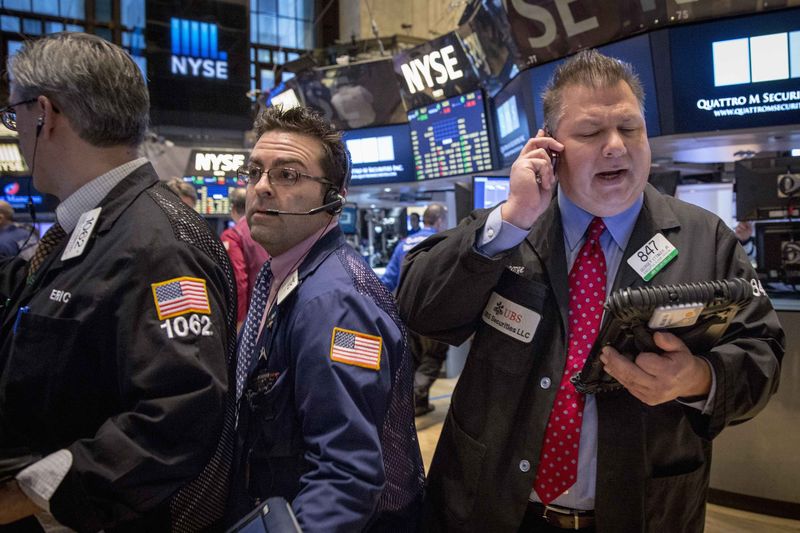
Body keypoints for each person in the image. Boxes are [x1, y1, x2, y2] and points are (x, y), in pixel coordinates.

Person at [396, 49, 783, 532]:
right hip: (494, 507)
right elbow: (418, 309)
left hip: (641, 512)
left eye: (630, 128)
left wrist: (699, 377)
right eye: (590, 132)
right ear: (548, 148)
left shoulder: (707, 240)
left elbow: (762, 355)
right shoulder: (511, 228)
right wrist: (511, 219)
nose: (616, 146)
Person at [0, 33, 237, 532]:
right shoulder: (86, 228)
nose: (15, 128)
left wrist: (26, 494)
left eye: (13, 113)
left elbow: (177, 415)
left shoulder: (159, 244)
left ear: (45, 113)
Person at [227, 105, 424, 532]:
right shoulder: (286, 274)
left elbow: (347, 475)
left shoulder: (334, 303)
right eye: (255, 171)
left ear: (334, 196)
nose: (260, 188)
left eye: (287, 175)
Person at [380, 203, 449, 416]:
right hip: (434, 312)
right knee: (433, 358)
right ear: (439, 221)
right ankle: (414, 398)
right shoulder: (443, 242)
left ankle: (417, 405)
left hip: (405, 311)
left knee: (413, 359)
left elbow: (388, 280)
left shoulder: (404, 244)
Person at [220, 187, 270, 328]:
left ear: (233, 209)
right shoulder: (269, 229)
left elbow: (238, 282)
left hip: (250, 318)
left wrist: (239, 320)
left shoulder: (232, 236)